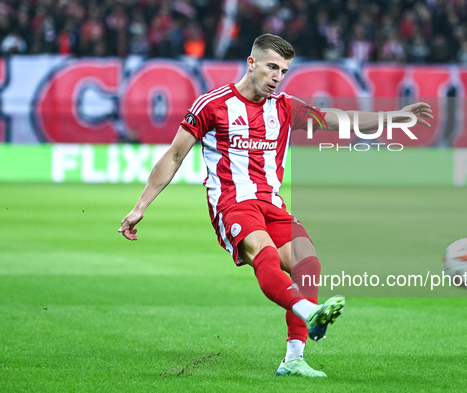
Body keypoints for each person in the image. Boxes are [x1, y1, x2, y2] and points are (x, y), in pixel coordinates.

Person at [119, 33, 432, 377]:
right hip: (233, 202)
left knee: (307, 263)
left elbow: (338, 119)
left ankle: (294, 358)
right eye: (271, 67)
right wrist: (141, 206)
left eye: (283, 71)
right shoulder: (212, 104)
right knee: (264, 256)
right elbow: (175, 154)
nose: (277, 77)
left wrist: (395, 117)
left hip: (272, 203)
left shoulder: (285, 107)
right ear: (251, 63)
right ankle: (307, 311)